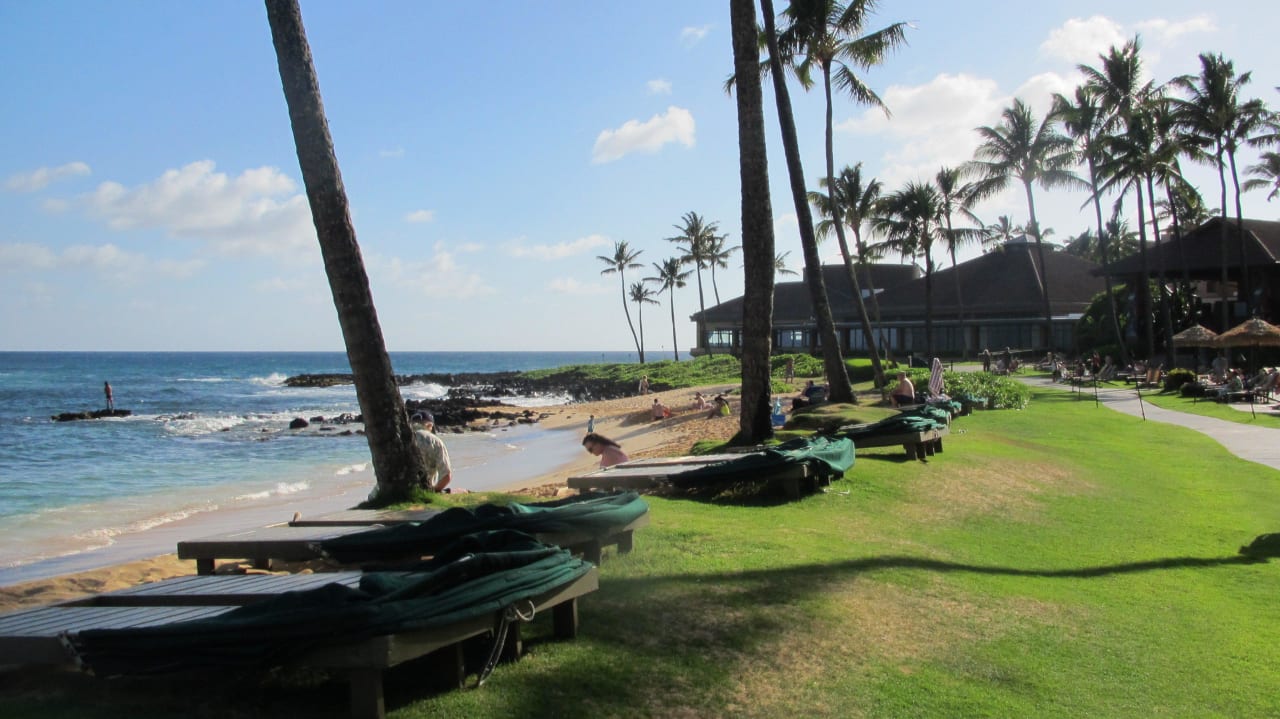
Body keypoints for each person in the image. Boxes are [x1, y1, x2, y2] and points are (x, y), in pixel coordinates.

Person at [410, 412, 452, 492]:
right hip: (424, 491)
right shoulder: (435, 441)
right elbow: (446, 476)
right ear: (429, 425)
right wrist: (434, 490)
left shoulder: (399, 439)